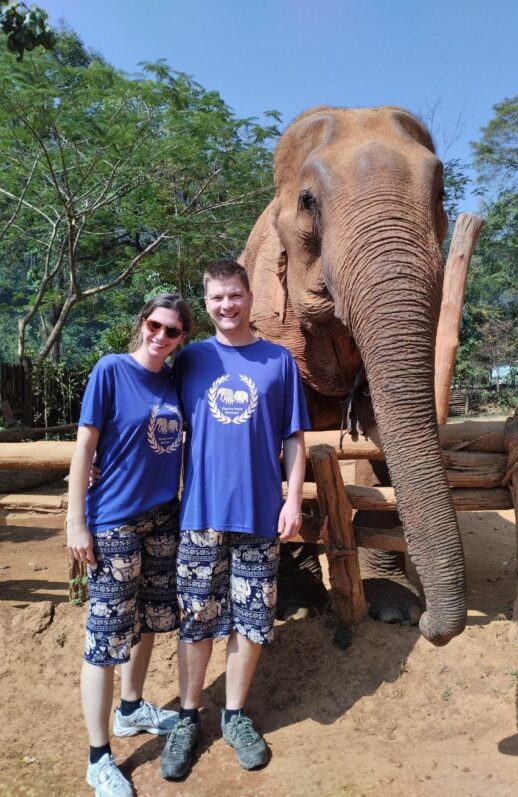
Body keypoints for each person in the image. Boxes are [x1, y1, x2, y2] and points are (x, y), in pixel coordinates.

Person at [159, 259, 310, 779]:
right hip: (199, 512)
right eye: (217, 298)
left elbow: (293, 439)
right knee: (196, 617)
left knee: (252, 618)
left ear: (250, 296)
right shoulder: (190, 360)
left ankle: (235, 714)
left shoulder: (278, 361)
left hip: (260, 514)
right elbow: (154, 421)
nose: (227, 305)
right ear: (206, 304)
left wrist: (292, 500)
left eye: (235, 295)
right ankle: (186, 716)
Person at [67, 294, 191, 797]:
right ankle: (98, 757)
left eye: (173, 331)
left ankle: (131, 708)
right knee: (104, 638)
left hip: (163, 516)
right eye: (155, 325)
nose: (161, 336)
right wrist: (76, 521)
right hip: (114, 520)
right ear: (142, 324)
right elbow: (85, 446)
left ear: (183, 339)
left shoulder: (173, 381)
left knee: (147, 622)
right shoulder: (111, 370)